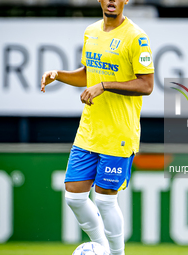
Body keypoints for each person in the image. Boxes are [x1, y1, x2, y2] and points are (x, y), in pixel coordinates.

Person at [40, 0, 154, 254]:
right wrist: (59, 74)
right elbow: (88, 74)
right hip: (89, 131)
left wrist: (104, 86)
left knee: (104, 200)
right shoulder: (91, 31)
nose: (112, 0)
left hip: (118, 134)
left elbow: (146, 85)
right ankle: (101, 248)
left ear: (125, 1)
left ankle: (116, 253)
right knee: (74, 197)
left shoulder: (136, 38)